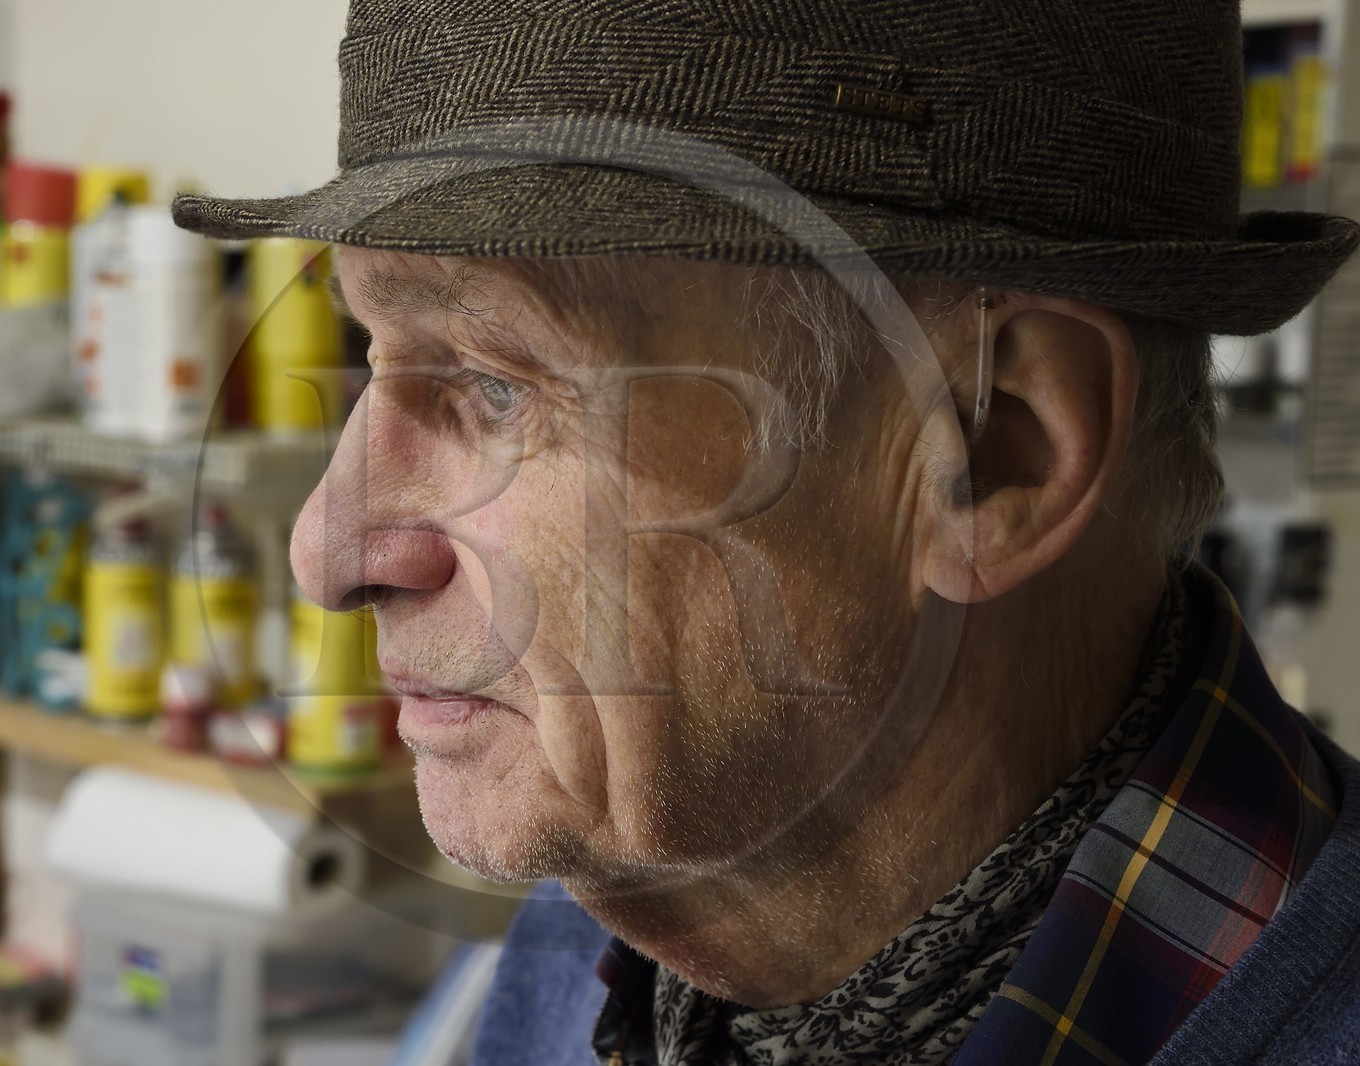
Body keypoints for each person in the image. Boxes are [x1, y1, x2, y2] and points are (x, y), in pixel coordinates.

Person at [174, 0, 1360, 1061]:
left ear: (994, 447)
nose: (329, 551)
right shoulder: (578, 947)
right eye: (366, 353)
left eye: (493, 384)